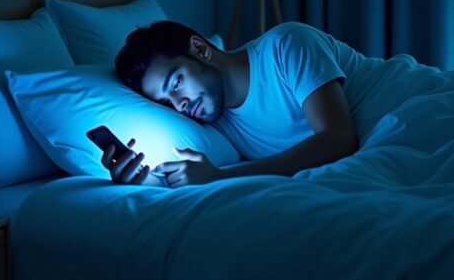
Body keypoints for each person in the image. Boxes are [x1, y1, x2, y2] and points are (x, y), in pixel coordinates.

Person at [103, 19, 373, 188]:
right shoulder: (213, 122)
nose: (179, 105)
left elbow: (339, 138)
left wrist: (219, 178)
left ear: (200, 49)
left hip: (400, 106)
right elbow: (190, 173)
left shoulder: (286, 45)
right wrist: (140, 179)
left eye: (175, 84)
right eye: (166, 102)